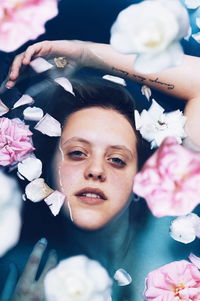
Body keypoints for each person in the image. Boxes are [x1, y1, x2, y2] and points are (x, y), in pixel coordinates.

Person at [2, 40, 200, 301]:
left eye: (117, 159)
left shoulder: (172, 239)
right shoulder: (12, 269)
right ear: (46, 169)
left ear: (141, 178)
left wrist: (86, 54)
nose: (95, 170)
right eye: (77, 154)